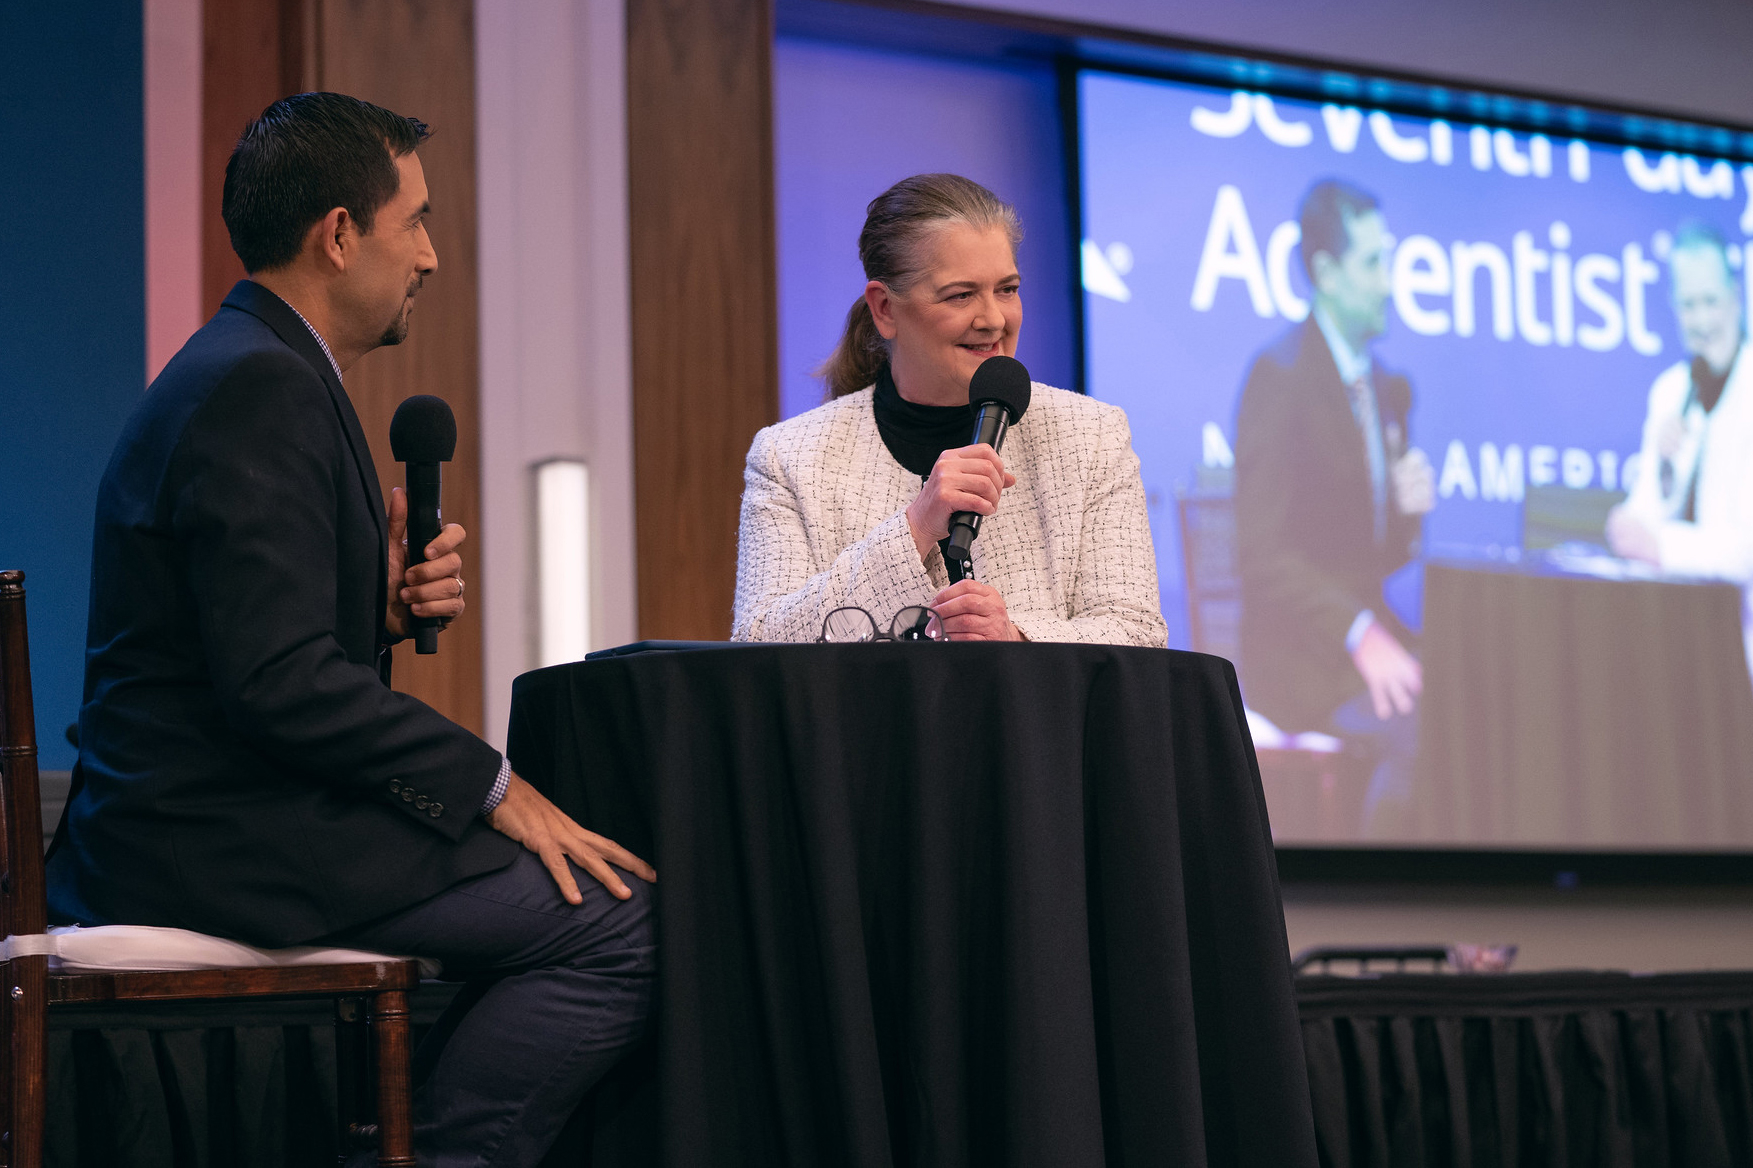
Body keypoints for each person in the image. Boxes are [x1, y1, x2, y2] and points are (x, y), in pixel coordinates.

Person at [45, 93, 655, 1167]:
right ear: (338, 233)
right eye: (412, 221)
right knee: (619, 926)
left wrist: (368, 609)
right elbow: (278, 684)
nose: (427, 256)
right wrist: (494, 787)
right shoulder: (260, 387)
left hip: (223, 811)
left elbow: (241, 637)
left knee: (583, 903)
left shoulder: (256, 365)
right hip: (212, 834)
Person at [732, 174, 1166, 648]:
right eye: (961, 295)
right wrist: (915, 527)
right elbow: (759, 644)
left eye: (1007, 289)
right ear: (884, 309)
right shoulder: (791, 456)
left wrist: (1017, 638)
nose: (994, 319)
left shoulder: (1091, 435)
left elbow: (1138, 634)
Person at [1233, 179, 1435, 837]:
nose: (1388, 283)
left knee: (1473, 703)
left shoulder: (1385, 384)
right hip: (1299, 658)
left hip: (1365, 640)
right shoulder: (1281, 376)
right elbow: (1260, 555)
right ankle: (1387, 909)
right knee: (1419, 734)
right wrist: (1358, 632)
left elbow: (1375, 552)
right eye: (1373, 263)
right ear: (1324, 270)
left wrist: (1409, 515)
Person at [1608, 221, 1753, 674]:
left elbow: (1745, 551)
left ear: (1736, 298)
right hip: (1675, 640)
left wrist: (1662, 546)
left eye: (1710, 301)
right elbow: (1646, 513)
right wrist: (1626, 522)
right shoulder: (1669, 392)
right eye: (1689, 305)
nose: (1702, 320)